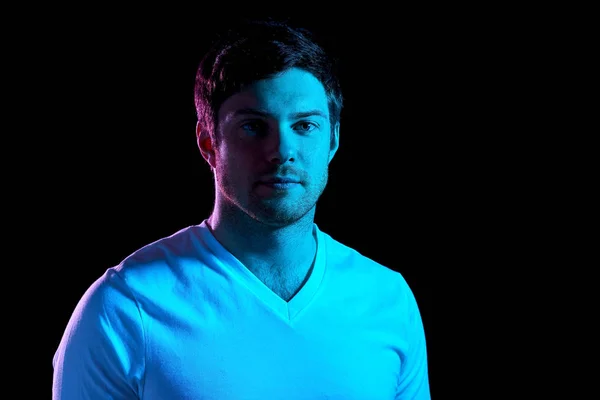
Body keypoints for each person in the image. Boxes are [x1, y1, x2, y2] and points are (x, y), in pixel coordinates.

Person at [52, 18, 431, 399]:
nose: (282, 151)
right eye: (253, 126)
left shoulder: (387, 298)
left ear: (332, 140)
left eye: (304, 126)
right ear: (208, 142)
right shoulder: (124, 307)